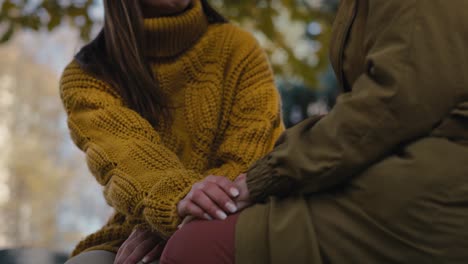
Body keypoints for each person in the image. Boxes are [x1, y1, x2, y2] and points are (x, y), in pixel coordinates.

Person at [160, 0, 468, 263]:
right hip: (395, 165)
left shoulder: (237, 47)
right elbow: (130, 160)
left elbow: (394, 102)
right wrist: (169, 210)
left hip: (430, 185)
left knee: (195, 248)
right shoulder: (111, 70)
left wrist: (242, 187)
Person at [60, 0, 284, 263]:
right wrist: (174, 204)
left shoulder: (239, 47)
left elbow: (250, 160)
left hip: (237, 218)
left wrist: (189, 214)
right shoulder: (88, 76)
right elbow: (126, 157)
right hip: (137, 232)